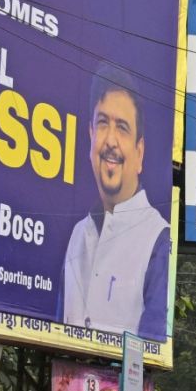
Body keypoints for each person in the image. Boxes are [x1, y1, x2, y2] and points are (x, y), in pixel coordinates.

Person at [61, 64, 169, 341]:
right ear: (90, 136)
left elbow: (153, 347)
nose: (110, 140)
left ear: (139, 151)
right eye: (102, 123)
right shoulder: (77, 236)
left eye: (122, 128)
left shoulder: (158, 238)